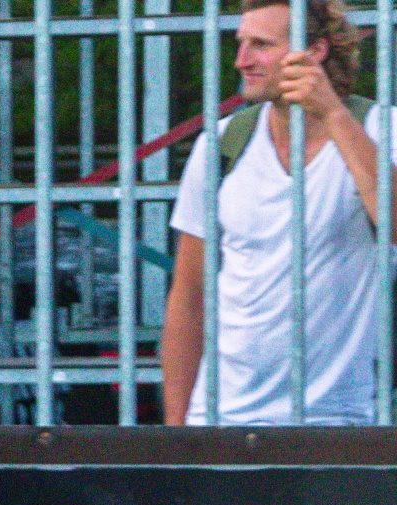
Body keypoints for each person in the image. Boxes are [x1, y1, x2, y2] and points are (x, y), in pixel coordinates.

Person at [161, 0, 391, 425]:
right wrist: (177, 436)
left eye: (261, 45)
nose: (241, 60)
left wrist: (333, 113)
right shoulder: (222, 144)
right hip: (219, 421)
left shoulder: (381, 129)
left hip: (335, 422)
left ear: (315, 51)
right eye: (241, 43)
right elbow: (188, 297)